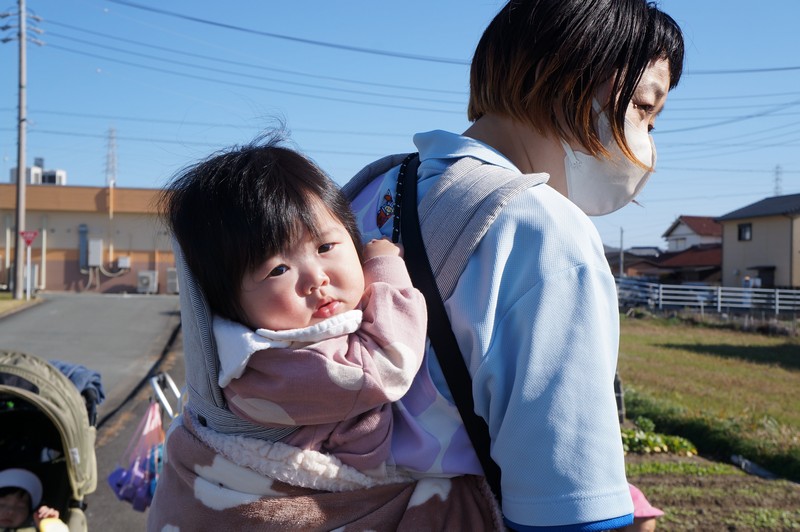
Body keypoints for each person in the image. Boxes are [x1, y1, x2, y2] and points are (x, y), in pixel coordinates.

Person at [344, 0, 684, 529]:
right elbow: (570, 510)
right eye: (643, 107)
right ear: (566, 68)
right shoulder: (543, 228)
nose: (647, 141)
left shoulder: (367, 193)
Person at [160, 134, 427, 479]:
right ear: (227, 303)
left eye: (325, 247)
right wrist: (384, 269)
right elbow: (390, 366)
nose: (316, 278)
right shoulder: (271, 365)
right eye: (278, 270)